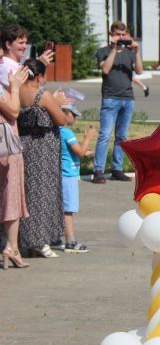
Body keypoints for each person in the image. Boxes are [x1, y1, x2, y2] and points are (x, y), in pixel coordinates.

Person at [17, 59, 67, 258]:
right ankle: (40, 240)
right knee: (43, 193)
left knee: (26, 192)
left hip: (23, 144)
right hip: (43, 147)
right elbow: (61, 120)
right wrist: (58, 103)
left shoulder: (17, 92)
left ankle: (24, 239)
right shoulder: (42, 94)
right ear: (39, 77)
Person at [93, 21, 143, 184]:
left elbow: (140, 70)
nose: (121, 38)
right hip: (110, 98)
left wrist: (136, 52)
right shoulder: (103, 51)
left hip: (127, 99)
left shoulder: (129, 53)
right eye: (117, 35)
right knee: (105, 135)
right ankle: (98, 171)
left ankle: (117, 169)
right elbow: (105, 69)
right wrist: (114, 50)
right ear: (111, 34)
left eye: (123, 35)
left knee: (122, 136)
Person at [0, 51, 30, 269]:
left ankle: (12, 247)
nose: (2, 61)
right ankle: (11, 247)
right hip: (5, 145)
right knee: (10, 194)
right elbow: (13, 110)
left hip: (7, 143)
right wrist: (16, 87)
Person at [58, 105, 95, 252]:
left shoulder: (57, 131)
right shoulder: (67, 133)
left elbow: (72, 152)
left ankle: (54, 238)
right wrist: (88, 138)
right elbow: (79, 152)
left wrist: (85, 151)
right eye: (73, 114)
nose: (75, 117)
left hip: (62, 173)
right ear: (65, 114)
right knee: (68, 210)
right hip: (68, 175)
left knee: (61, 208)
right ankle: (70, 242)